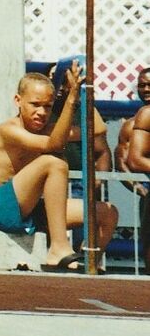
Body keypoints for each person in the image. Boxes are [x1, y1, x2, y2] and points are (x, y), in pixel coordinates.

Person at [0, 65, 89, 271]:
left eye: (48, 106)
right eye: (35, 104)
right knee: (54, 162)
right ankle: (59, 247)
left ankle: (88, 264)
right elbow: (55, 145)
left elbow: (96, 130)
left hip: (28, 206)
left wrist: (79, 95)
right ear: (18, 101)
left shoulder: (48, 130)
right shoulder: (8, 130)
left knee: (102, 213)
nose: (42, 112)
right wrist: (70, 100)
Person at [47, 60, 118, 251]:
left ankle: (83, 267)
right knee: (51, 232)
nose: (61, 84)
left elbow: (101, 143)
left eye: (66, 79)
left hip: (79, 182)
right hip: (50, 183)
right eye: (57, 78)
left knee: (85, 233)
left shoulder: (82, 110)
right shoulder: (44, 109)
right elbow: (53, 135)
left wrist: (98, 180)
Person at [119, 68, 150, 269]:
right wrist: (141, 190)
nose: (146, 89)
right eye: (142, 85)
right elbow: (128, 162)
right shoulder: (135, 123)